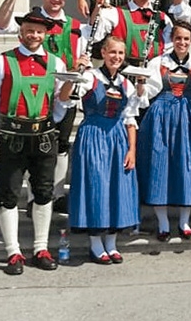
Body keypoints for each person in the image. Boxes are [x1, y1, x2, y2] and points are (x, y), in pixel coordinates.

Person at [0, 11, 69, 274]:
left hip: (43, 138)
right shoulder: (1, 62)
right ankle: (13, 252)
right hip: (12, 137)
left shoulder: (56, 63)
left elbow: (59, 102)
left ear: (45, 34)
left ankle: (40, 248)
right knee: (8, 192)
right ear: (21, 32)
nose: (34, 35)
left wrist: (48, 123)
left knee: (43, 191)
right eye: (29, 30)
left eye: (39, 31)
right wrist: (9, 127)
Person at [0, 0, 87, 214]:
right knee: (31, 147)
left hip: (64, 94)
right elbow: (2, 24)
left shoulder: (76, 26)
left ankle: (55, 195)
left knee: (62, 145)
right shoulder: (32, 22)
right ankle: (32, 197)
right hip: (32, 93)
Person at [60, 36, 146, 265]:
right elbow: (64, 97)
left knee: (117, 187)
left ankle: (112, 242)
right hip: (93, 135)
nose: (116, 57)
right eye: (112, 52)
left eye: (120, 53)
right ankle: (96, 244)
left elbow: (130, 119)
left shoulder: (126, 84)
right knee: (96, 186)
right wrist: (75, 70)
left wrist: (132, 150)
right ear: (103, 53)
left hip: (118, 138)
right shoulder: (90, 77)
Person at [137, 21, 191, 241]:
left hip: (188, 117)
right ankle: (163, 224)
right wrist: (141, 85)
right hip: (162, 116)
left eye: (186, 38)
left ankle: (184, 222)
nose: (182, 42)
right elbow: (147, 96)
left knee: (188, 166)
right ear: (172, 40)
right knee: (160, 166)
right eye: (178, 38)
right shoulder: (159, 62)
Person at [92, 0, 173, 67]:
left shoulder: (163, 18)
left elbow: (169, 48)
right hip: (123, 69)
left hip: (153, 71)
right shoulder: (115, 13)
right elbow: (93, 34)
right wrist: (98, 4)